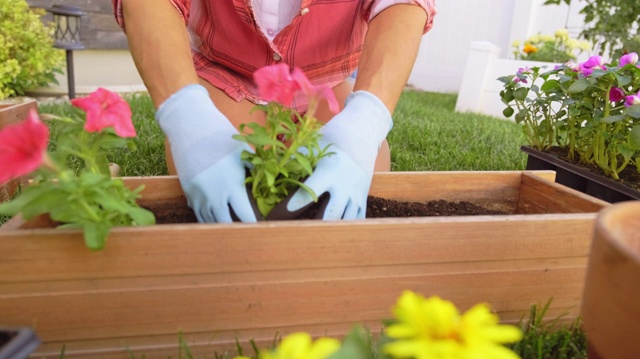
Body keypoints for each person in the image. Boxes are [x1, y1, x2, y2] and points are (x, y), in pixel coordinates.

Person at [111, 0, 436, 223]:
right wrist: (188, 118)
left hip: (322, 82)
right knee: (221, 192)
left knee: (365, 180)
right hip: (227, 74)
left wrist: (365, 121)